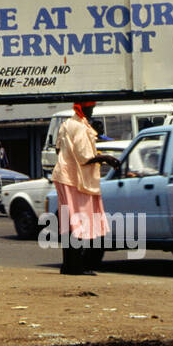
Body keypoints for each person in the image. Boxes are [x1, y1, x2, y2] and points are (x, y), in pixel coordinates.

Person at [51, 100, 116, 275]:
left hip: (65, 176)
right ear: (84, 108)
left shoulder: (67, 124)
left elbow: (59, 150)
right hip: (75, 180)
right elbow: (83, 156)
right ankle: (75, 267)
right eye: (91, 108)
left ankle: (69, 265)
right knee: (77, 222)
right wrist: (106, 159)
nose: (92, 111)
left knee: (70, 222)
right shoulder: (79, 127)